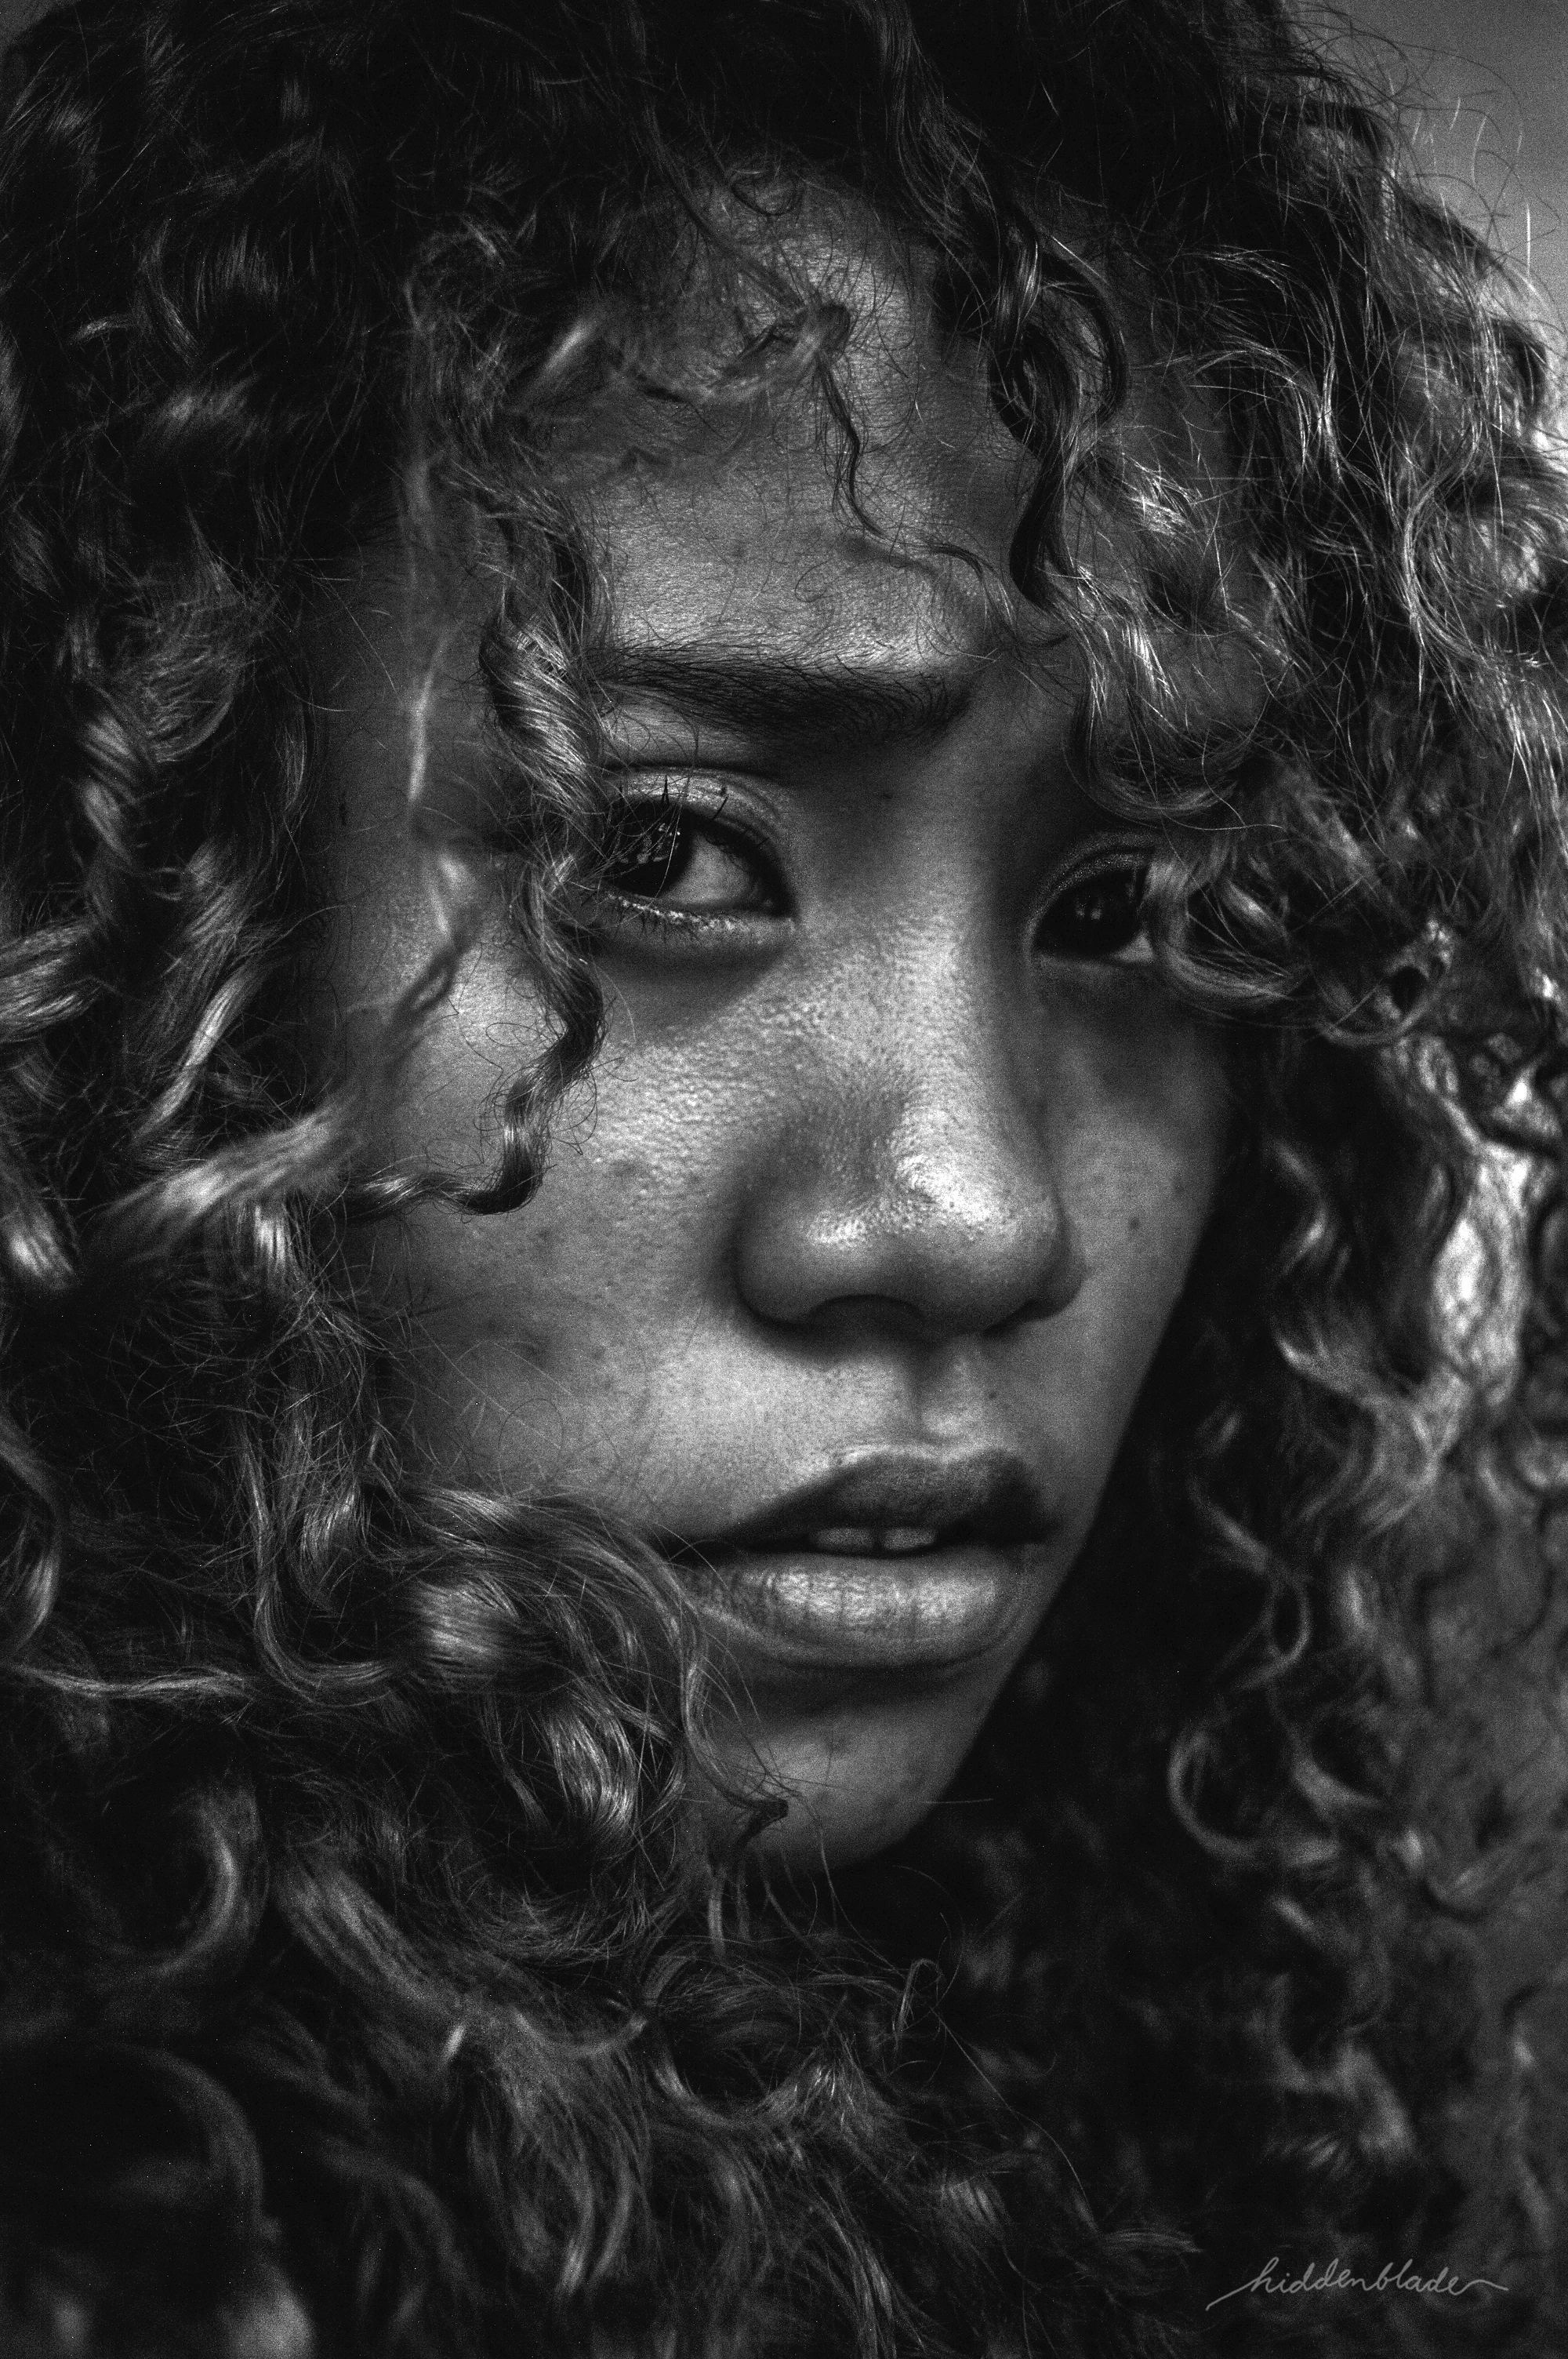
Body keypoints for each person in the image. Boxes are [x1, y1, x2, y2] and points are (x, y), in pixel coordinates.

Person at [0, 0, 1564, 2350]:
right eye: (657, 851)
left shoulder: (1192, 2096)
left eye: (1137, 909)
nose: (978, 1216)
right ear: (133, 931)